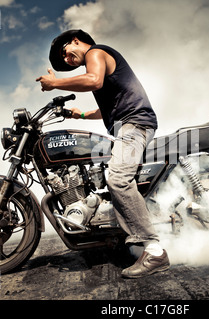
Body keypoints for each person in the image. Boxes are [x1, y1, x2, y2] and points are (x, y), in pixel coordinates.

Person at [36, 29, 170, 278]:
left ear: (76, 41)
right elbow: (106, 106)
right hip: (127, 125)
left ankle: (155, 251)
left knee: (118, 179)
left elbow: (93, 81)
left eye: (65, 54)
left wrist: (55, 83)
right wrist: (81, 115)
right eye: (64, 61)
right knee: (110, 177)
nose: (67, 61)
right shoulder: (99, 64)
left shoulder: (96, 52)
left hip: (135, 124)